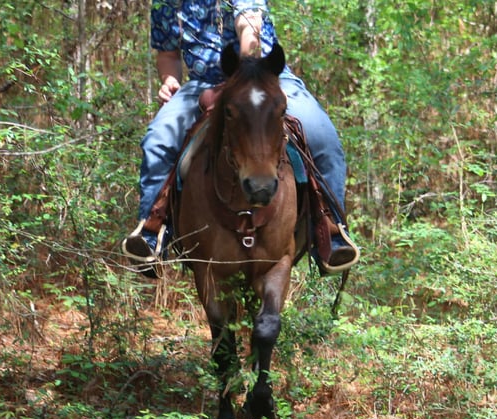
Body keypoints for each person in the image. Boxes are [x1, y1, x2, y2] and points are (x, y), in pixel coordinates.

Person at [122, 0, 359, 278]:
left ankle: (331, 232)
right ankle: (153, 232)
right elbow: (168, 53)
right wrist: (169, 80)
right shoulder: (166, 3)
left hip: (265, 77)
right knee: (158, 140)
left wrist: (243, 78)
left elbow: (249, 26)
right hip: (202, 83)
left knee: (322, 136)